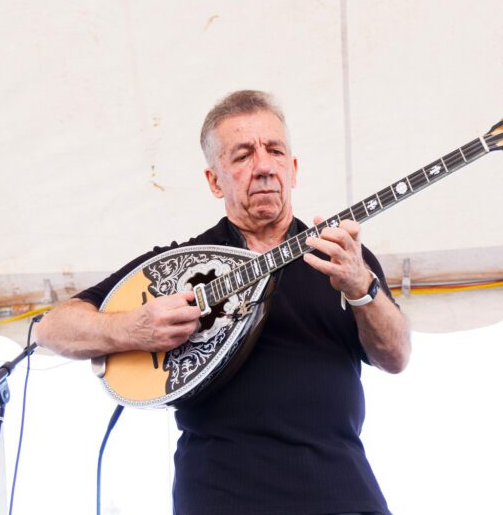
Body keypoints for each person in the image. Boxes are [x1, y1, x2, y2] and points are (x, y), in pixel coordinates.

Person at [36, 90, 411, 515]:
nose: (264, 166)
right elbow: (52, 329)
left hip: (340, 492)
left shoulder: (342, 257)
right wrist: (131, 328)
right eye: (243, 155)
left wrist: (362, 287)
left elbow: (396, 356)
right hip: (220, 495)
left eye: (274, 151)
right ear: (215, 180)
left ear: (293, 169)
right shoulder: (176, 267)